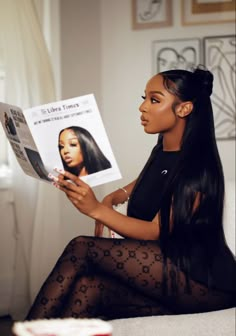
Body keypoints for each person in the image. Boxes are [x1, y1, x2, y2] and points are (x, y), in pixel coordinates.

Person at [26, 66, 236, 321]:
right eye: (144, 98)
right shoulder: (162, 151)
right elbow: (148, 180)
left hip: (204, 282)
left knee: (82, 247)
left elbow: (155, 231)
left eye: (154, 100)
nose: (143, 107)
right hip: (173, 267)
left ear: (184, 109)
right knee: (89, 289)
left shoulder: (197, 167)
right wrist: (113, 197)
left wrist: (96, 210)